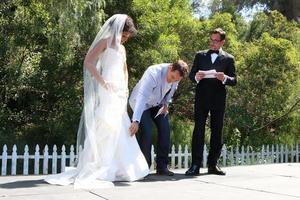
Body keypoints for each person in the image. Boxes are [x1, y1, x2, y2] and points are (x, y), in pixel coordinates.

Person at [45, 14, 149, 189]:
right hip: (106, 88)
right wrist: (103, 81)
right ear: (117, 30)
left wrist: (125, 88)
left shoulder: (122, 49)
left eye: (127, 37)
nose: (124, 40)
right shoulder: (105, 42)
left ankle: (122, 166)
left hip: (119, 91)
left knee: (119, 124)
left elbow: (125, 70)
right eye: (123, 36)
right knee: (106, 122)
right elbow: (88, 62)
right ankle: (100, 164)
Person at [185, 28, 237, 176]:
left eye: (216, 41)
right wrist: (197, 77)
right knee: (198, 131)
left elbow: (234, 80)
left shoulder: (228, 58)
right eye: (211, 40)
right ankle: (195, 165)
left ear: (222, 42)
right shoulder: (200, 55)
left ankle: (213, 165)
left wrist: (225, 78)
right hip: (201, 98)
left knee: (217, 131)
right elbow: (191, 75)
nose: (212, 43)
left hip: (219, 100)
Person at [129, 60, 189, 176]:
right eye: (172, 77)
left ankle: (162, 167)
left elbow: (171, 92)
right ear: (170, 67)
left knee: (165, 129)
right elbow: (142, 97)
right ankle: (144, 169)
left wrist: (166, 104)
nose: (173, 81)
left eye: (176, 80)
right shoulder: (153, 73)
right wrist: (136, 120)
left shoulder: (176, 76)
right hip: (141, 103)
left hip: (158, 104)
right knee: (147, 131)